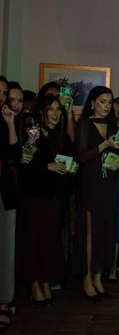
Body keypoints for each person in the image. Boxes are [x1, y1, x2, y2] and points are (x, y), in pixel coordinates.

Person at [16, 95, 72, 306]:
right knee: (33, 241)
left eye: (58, 109)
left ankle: (45, 282)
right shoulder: (34, 131)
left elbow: (67, 160)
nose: (55, 113)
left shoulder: (60, 135)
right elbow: (25, 162)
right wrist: (46, 166)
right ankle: (34, 284)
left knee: (49, 242)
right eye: (51, 109)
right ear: (42, 111)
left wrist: (68, 167)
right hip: (33, 195)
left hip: (52, 195)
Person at [72, 86, 119, 299]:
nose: (106, 106)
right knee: (90, 232)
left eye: (109, 102)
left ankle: (98, 277)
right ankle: (86, 279)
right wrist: (105, 145)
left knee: (105, 231)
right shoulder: (84, 123)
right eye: (103, 101)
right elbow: (82, 155)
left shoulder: (111, 124)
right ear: (92, 102)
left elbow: (117, 150)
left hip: (108, 184)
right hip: (90, 184)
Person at [0, 76, 20, 332]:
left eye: (4, 93)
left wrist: (11, 122)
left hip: (5, 191)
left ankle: (4, 303)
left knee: (5, 249)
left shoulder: (5, 120)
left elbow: (15, 155)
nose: (2, 97)